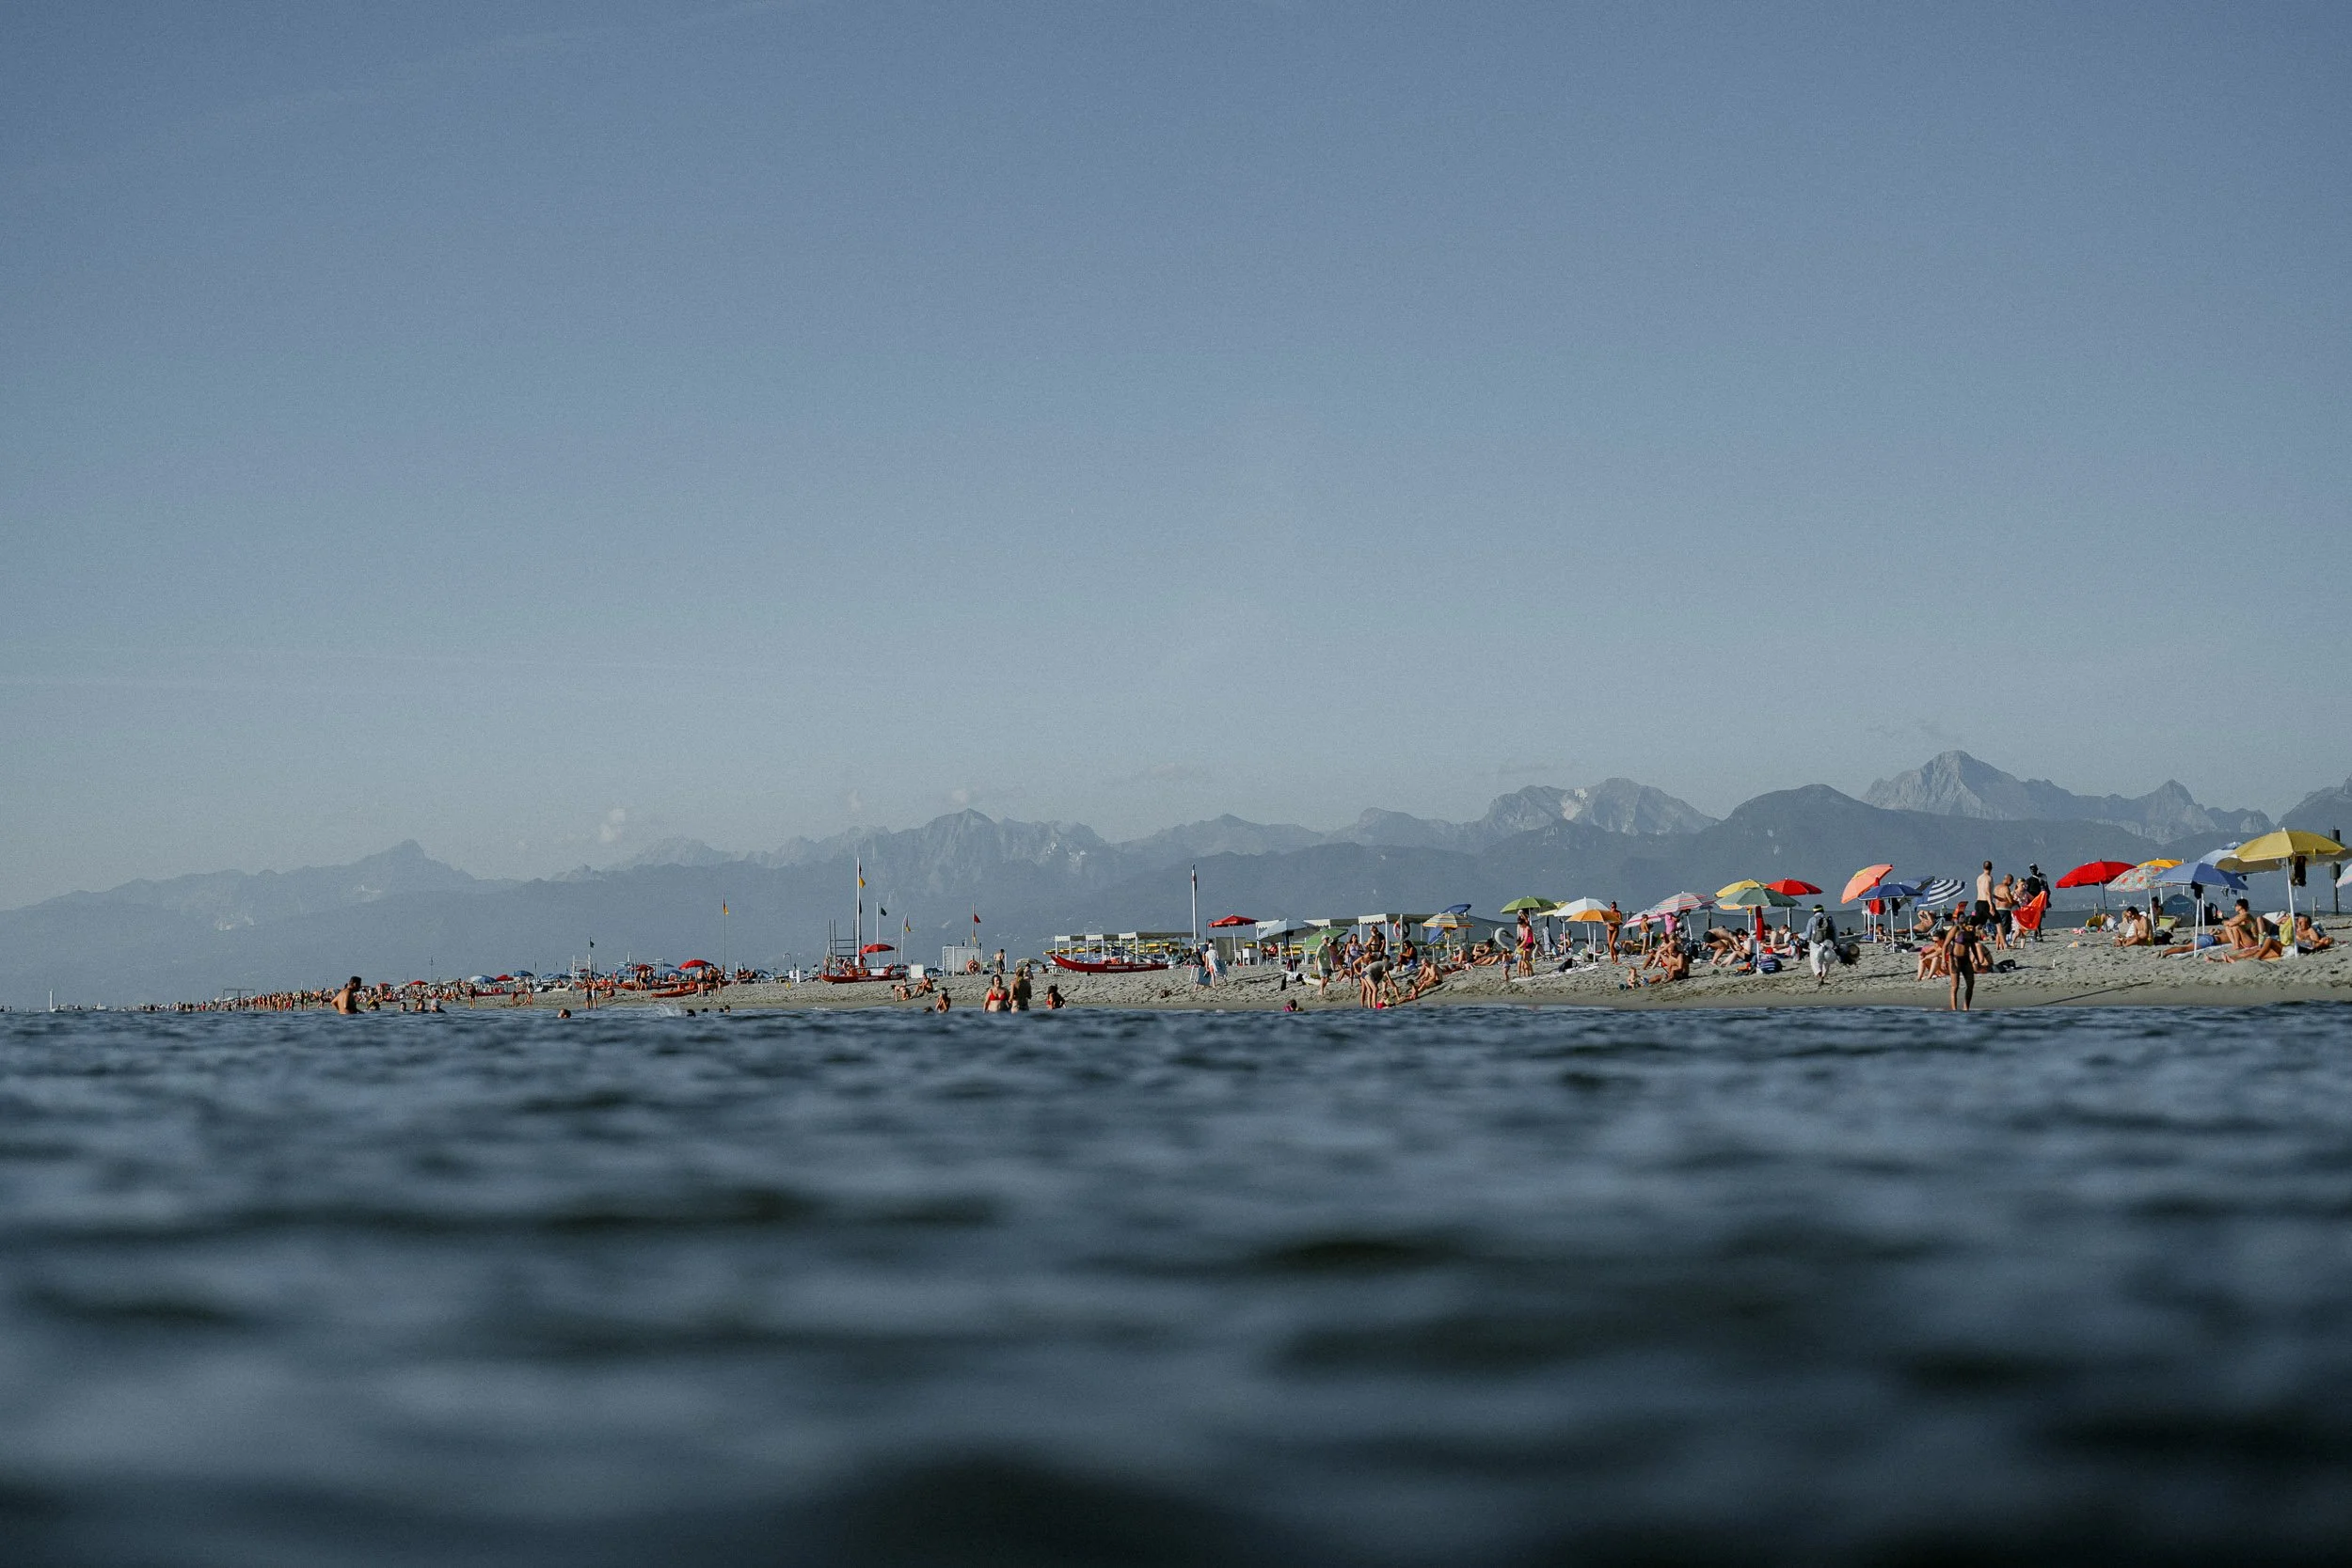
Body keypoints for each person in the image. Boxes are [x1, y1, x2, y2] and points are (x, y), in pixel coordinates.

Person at [1944, 914, 1981, 1011]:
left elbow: (1973, 947)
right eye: (1969, 927)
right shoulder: (1956, 929)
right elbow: (1945, 945)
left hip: (1966, 959)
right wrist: (1944, 960)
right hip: (1955, 959)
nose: (1971, 929)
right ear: (1965, 924)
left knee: (1970, 984)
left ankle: (1966, 1008)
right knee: (1955, 986)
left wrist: (1978, 959)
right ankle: (1954, 1009)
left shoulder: (1971, 932)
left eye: (1973, 928)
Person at [1804, 906, 1837, 987]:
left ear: (1814, 912)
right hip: (1827, 942)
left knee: (1815, 961)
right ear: (1823, 910)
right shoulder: (1829, 919)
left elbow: (1808, 934)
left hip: (1815, 943)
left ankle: (1819, 977)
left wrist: (1799, 936)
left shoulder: (1812, 920)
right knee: (1826, 961)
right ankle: (1823, 977)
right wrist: (1835, 943)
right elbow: (1835, 931)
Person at [1975, 862, 1995, 928]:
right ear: (1991, 868)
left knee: (1979, 923)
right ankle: (2001, 937)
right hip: (1986, 902)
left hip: (1978, 902)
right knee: (1997, 921)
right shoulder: (1988, 878)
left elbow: (1983, 891)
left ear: (1983, 867)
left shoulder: (1979, 878)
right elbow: (1987, 892)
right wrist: (1991, 905)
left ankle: (1973, 936)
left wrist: (1995, 896)